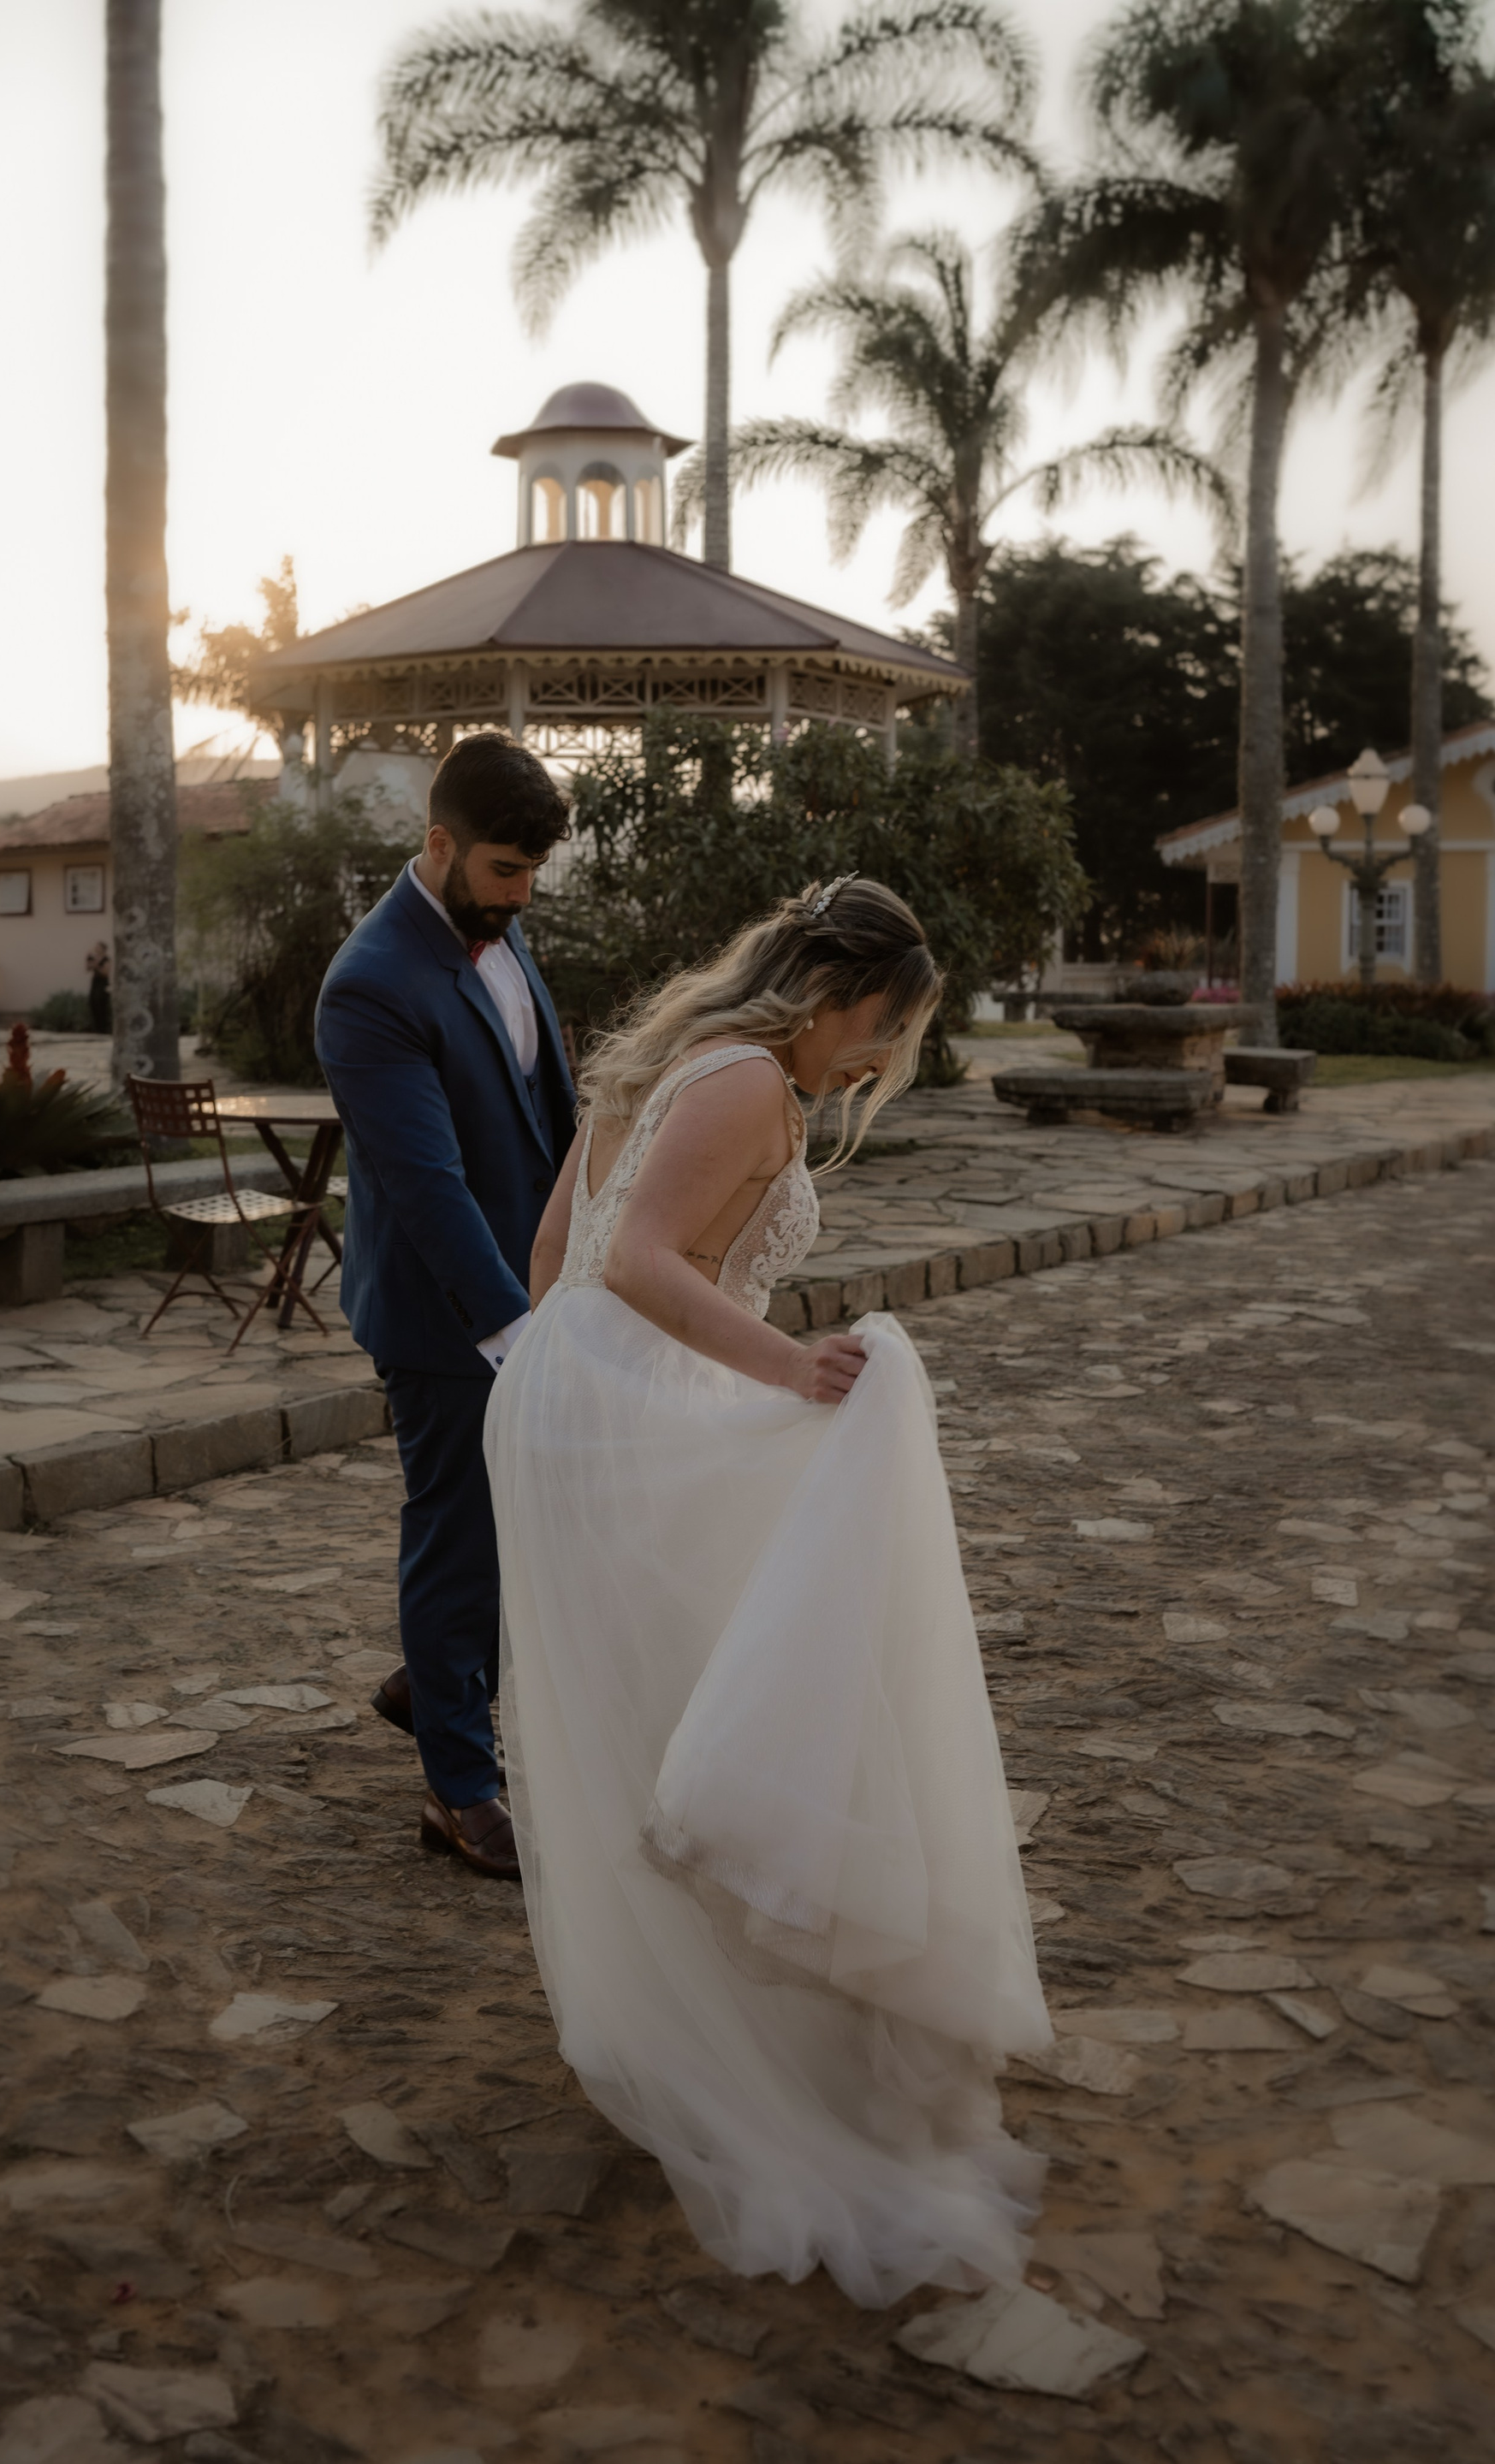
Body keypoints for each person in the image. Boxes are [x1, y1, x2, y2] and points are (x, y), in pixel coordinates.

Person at [484, 877, 1052, 2306]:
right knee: (714, 1683)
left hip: (563, 1394)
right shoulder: (744, 1081)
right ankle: (739, 2039)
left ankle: (679, 2012)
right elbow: (636, 1258)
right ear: (835, 995)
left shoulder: (672, 1054)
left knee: (649, 1705)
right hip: (613, 1400)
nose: (879, 1059)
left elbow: (556, 1258)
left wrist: (570, 1400)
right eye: (884, 1028)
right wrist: (787, 1373)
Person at [316, 729, 575, 1881]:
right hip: (445, 1317)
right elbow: (428, 1185)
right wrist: (515, 1334)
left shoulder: (499, 932)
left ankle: (433, 1683)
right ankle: (458, 1790)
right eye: (505, 871)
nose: (521, 897)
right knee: (462, 1540)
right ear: (439, 843)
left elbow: (545, 1119)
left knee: (538, 1528)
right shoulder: (370, 983)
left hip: (535, 1295)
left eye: (532, 875)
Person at [86, 942, 111, 1034]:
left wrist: (96, 966)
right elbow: (88, 968)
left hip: (103, 983)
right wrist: (89, 960)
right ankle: (96, 1027)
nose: (96, 948)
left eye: (98, 947)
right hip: (95, 982)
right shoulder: (93, 958)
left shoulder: (106, 959)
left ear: (103, 949)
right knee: (93, 1002)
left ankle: (104, 1028)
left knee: (101, 1003)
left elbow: (106, 973)